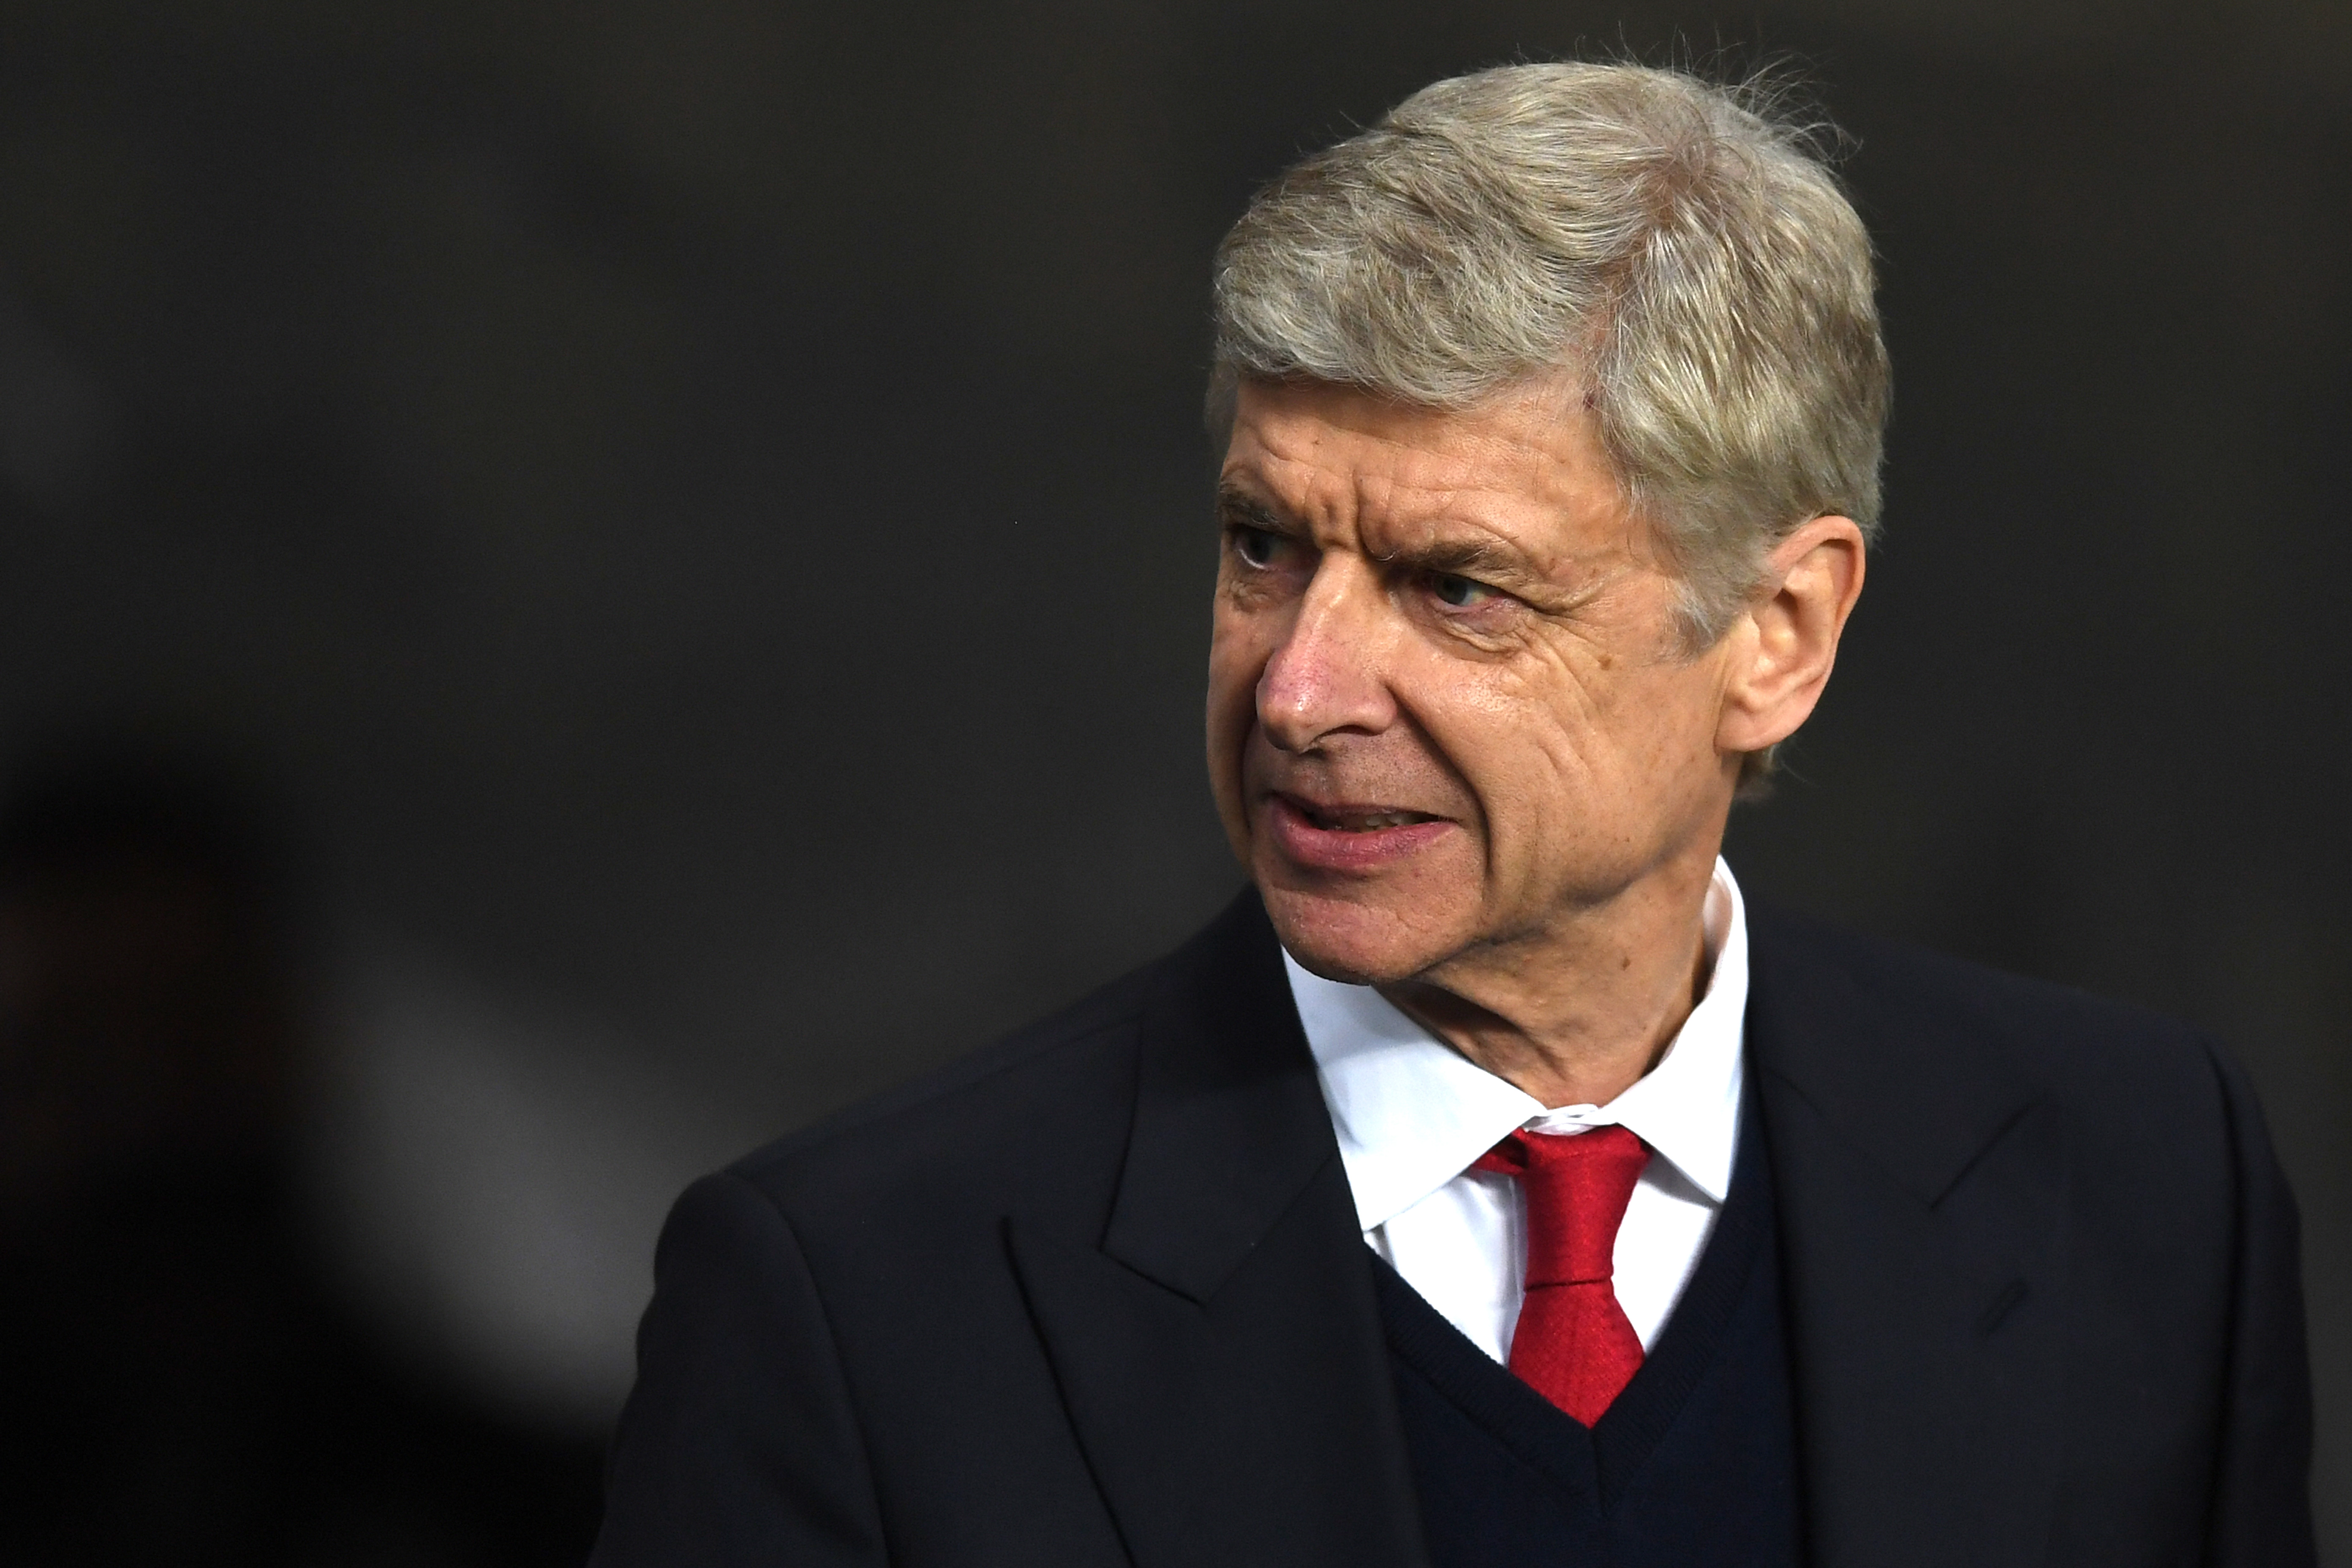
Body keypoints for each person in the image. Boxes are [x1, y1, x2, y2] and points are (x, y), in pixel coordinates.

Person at [589, 62, 2314, 1567]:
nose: (1297, 689)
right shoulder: (857, 1301)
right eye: (1267, 545)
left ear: (1777, 638)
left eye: (1459, 585)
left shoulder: (2142, 1179)